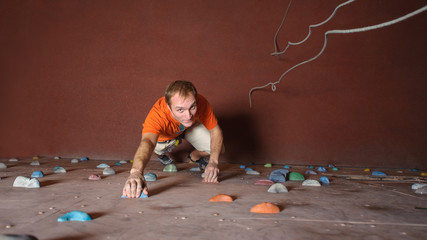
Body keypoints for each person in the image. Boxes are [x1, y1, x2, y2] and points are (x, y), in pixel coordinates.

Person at [122, 80, 224, 198]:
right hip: (165, 137)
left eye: (192, 107)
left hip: (188, 128)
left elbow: (216, 131)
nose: (188, 115)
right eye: (180, 110)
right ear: (168, 107)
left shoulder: (200, 103)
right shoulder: (158, 115)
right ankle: (161, 155)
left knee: (218, 149)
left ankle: (194, 156)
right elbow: (148, 142)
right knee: (156, 147)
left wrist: (213, 162)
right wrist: (136, 173)